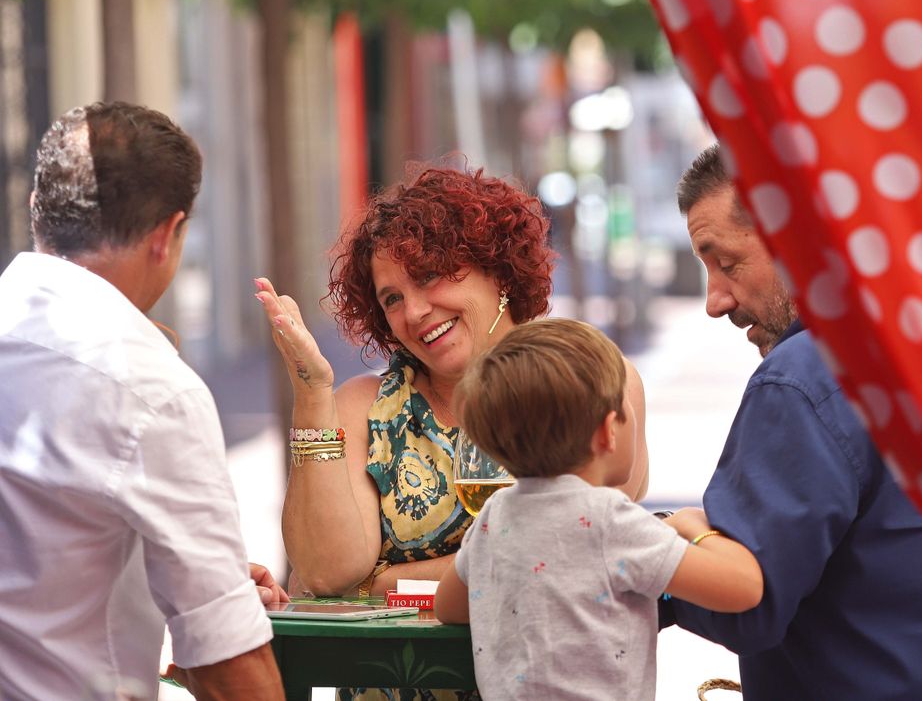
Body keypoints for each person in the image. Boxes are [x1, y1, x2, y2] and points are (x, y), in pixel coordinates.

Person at [259, 166, 646, 701]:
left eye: (429, 276)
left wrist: (383, 584)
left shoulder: (587, 376)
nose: (415, 312)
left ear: (497, 268)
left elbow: (575, 551)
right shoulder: (364, 406)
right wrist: (311, 391)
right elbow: (328, 575)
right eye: (392, 299)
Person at [0, 102, 287, 701]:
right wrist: (211, 597)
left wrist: (170, 578)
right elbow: (230, 666)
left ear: (36, 208)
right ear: (166, 236)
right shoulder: (151, 386)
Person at [666, 146, 922, 699]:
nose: (716, 301)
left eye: (726, 263)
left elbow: (748, 604)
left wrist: (666, 545)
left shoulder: (803, 377)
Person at [433, 318, 762, 700]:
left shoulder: (495, 515)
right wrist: (695, 528)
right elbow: (745, 588)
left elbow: (448, 606)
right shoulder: (611, 521)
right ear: (608, 431)